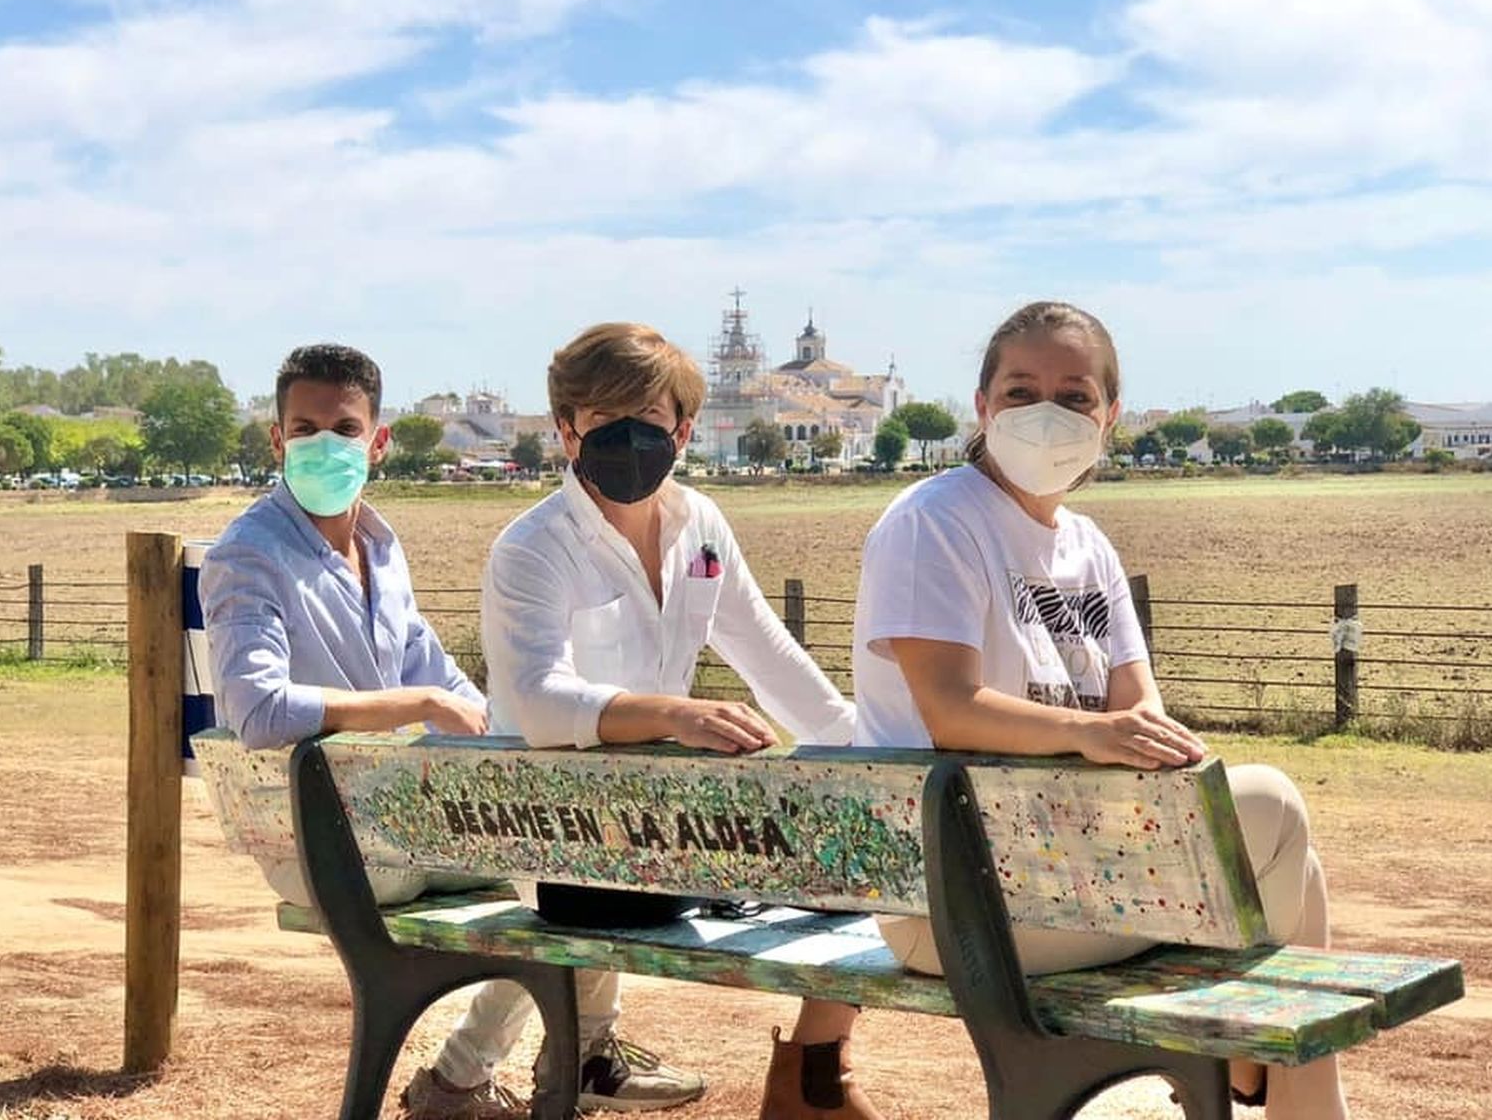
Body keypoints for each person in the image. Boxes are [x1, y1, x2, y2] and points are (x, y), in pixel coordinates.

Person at [851, 301, 1349, 1120]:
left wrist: (1135, 739)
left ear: (1110, 415)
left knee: (1279, 856)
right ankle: (1262, 1085)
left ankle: (1275, 1094)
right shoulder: (933, 523)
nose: (1046, 415)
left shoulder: (1090, 546)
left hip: (1067, 866)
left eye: (1075, 396)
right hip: (950, 899)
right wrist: (1098, 735)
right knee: (1274, 811)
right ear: (982, 407)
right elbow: (948, 710)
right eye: (1020, 392)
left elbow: (1137, 706)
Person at [427, 322, 880, 1120]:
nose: (629, 437)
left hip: (640, 825)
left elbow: (766, 654)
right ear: (567, 429)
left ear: (684, 429)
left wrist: (867, 755)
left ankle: (478, 1075)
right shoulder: (532, 548)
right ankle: (788, 1076)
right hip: (538, 818)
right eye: (604, 420)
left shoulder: (702, 525)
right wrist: (675, 714)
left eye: (650, 417)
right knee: (599, 881)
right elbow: (534, 702)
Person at [200, 345, 512, 1119]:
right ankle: (471, 1079)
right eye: (304, 429)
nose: (323, 447)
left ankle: (491, 1073)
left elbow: (438, 673)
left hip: (402, 821)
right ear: (275, 441)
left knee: (583, 880)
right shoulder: (249, 556)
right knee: (565, 888)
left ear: (379, 442)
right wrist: (417, 707)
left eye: (344, 429)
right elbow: (260, 710)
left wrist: (514, 730)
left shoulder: (380, 544)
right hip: (323, 840)